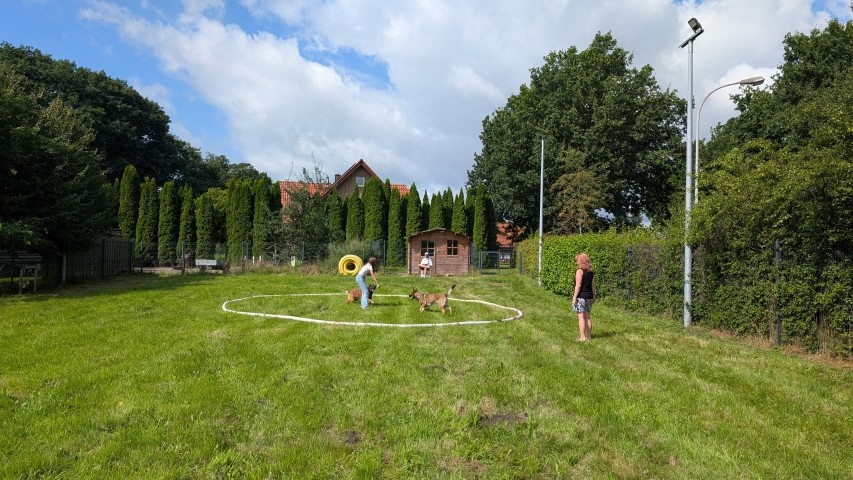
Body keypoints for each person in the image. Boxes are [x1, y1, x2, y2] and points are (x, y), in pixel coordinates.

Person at [571, 252, 595, 341]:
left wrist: (574, 297)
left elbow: (578, 286)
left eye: (577, 260)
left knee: (581, 317)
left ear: (580, 261)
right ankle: (589, 336)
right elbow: (593, 286)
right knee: (588, 317)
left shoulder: (579, 271)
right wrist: (593, 296)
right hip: (589, 296)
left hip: (581, 297)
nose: (576, 262)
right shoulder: (591, 272)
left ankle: (582, 337)